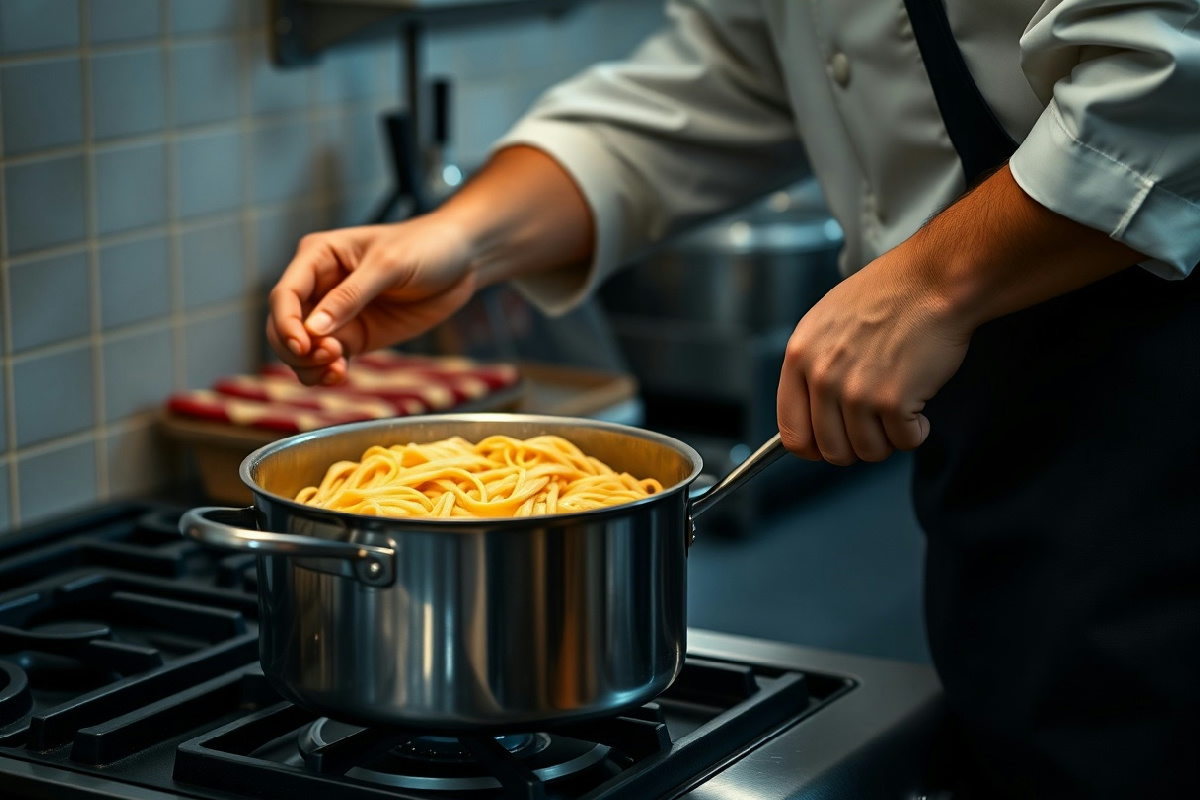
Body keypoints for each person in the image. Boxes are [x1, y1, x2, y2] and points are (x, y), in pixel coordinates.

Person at [267, 1, 1200, 796]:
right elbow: (708, 87)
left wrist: (932, 284)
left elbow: (1168, 69)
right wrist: (463, 236)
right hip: (1003, 462)